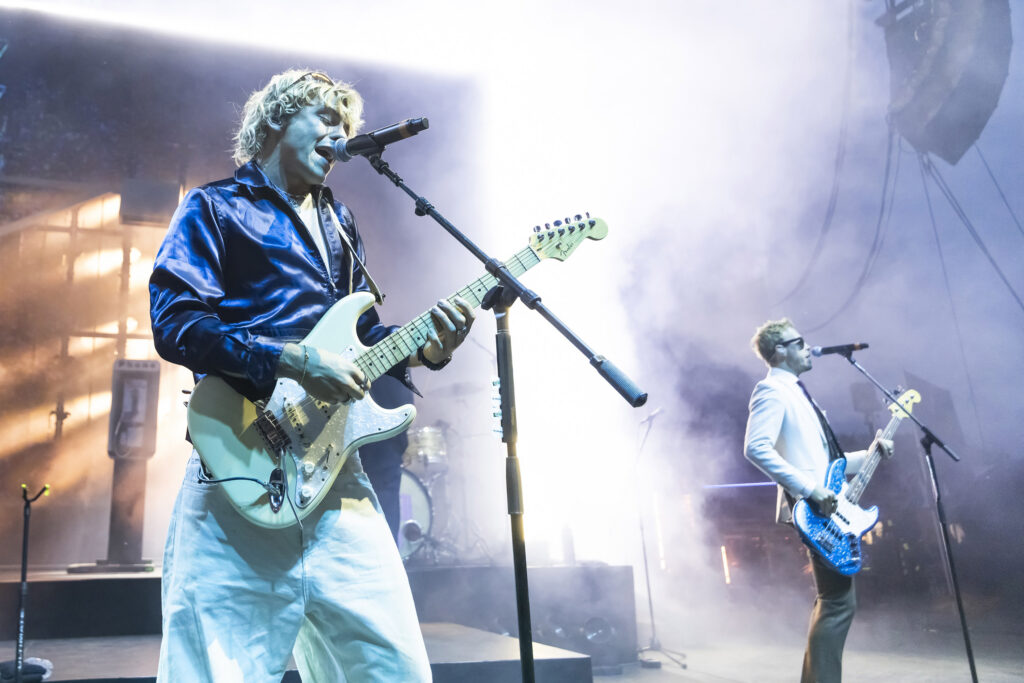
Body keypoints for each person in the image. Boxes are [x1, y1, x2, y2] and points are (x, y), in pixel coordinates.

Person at [149, 68, 474, 682]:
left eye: (346, 126)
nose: (340, 135)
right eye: (326, 119)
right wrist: (290, 360)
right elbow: (176, 323)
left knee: (393, 669)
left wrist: (425, 349)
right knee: (214, 673)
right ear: (275, 120)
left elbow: (361, 342)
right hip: (240, 478)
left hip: (337, 483)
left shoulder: (340, 225)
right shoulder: (214, 208)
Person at [743, 318, 892, 683]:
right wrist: (809, 491)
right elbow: (755, 447)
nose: (808, 348)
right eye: (800, 342)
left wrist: (871, 452)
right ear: (780, 351)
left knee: (836, 602)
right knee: (837, 603)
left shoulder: (797, 393)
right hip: (814, 510)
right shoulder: (772, 391)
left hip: (824, 504)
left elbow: (829, 466)